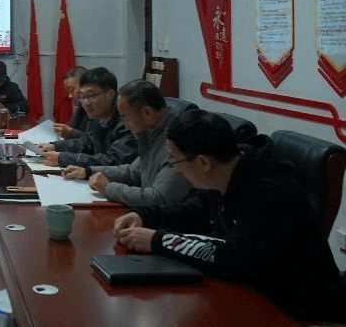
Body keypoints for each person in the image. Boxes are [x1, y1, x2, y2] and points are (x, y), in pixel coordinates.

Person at [113, 110, 346, 323]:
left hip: (293, 306)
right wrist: (142, 215)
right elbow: (191, 211)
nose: (176, 168)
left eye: (175, 160)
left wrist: (158, 240)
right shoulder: (226, 172)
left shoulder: (268, 193)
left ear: (203, 162)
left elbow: (232, 258)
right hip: (249, 289)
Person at [62, 80, 192, 207]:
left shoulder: (177, 141)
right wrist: (88, 171)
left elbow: (158, 198)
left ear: (147, 112)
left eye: (125, 117)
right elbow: (132, 172)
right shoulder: (151, 133)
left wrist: (108, 188)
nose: (125, 125)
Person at [39, 67, 136, 167]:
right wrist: (55, 146)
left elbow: (113, 160)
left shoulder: (127, 120)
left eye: (91, 95)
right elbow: (85, 144)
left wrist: (63, 158)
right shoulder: (97, 116)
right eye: (82, 96)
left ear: (110, 94)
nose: (86, 103)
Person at [53, 66, 88, 139]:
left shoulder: (99, 109)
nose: (69, 96)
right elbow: (72, 127)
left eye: (72, 90)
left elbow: (95, 140)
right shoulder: (81, 108)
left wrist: (71, 132)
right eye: (68, 91)